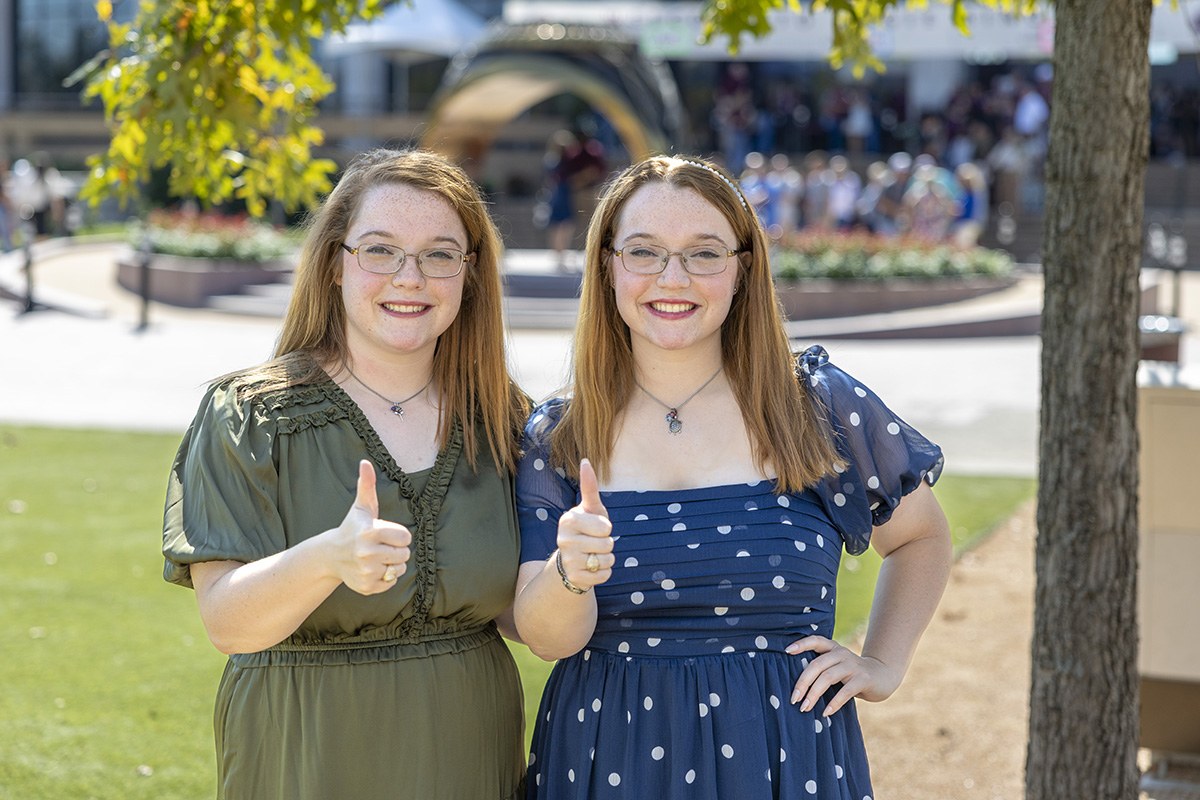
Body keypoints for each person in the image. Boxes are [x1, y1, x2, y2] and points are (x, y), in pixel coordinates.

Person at [513, 154, 952, 798]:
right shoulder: (559, 436)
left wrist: (883, 662)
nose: (673, 277)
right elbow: (548, 640)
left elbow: (921, 537)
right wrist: (569, 574)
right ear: (607, 265)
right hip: (608, 760)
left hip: (782, 761)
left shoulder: (815, 407)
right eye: (644, 251)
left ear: (743, 267)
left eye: (704, 253)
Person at [162, 148, 530, 799]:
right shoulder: (249, 416)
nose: (409, 277)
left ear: (470, 274)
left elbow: (530, 616)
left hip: (468, 754)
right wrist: (326, 558)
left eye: (440, 254)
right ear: (336, 264)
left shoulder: (503, 420)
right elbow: (227, 623)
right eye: (380, 250)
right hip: (305, 755)